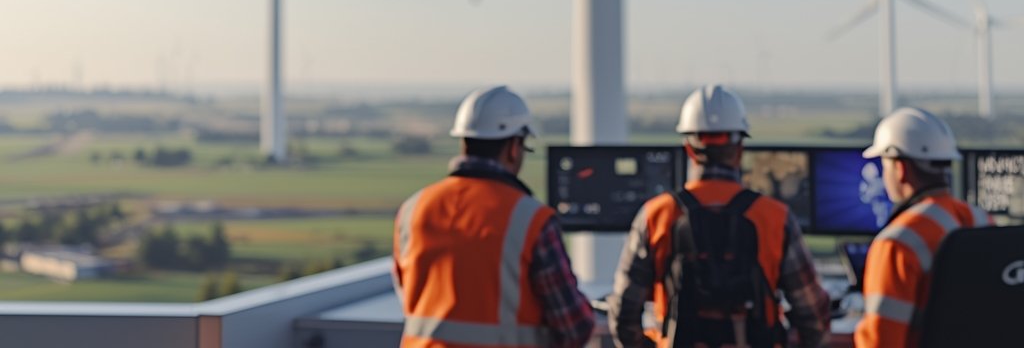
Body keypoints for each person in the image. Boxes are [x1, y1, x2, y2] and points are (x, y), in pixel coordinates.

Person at [607, 84, 831, 348]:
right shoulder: (775, 218)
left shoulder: (655, 216)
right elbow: (813, 314)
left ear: (689, 149)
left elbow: (623, 314)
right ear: (739, 150)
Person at [392, 85, 595, 347]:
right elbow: (575, 327)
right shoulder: (531, 219)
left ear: (464, 141)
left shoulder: (413, 209)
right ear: (513, 147)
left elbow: (410, 298)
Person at [853, 107, 989, 348]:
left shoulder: (897, 243)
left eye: (884, 165)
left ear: (900, 168)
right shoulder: (982, 221)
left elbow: (881, 341)